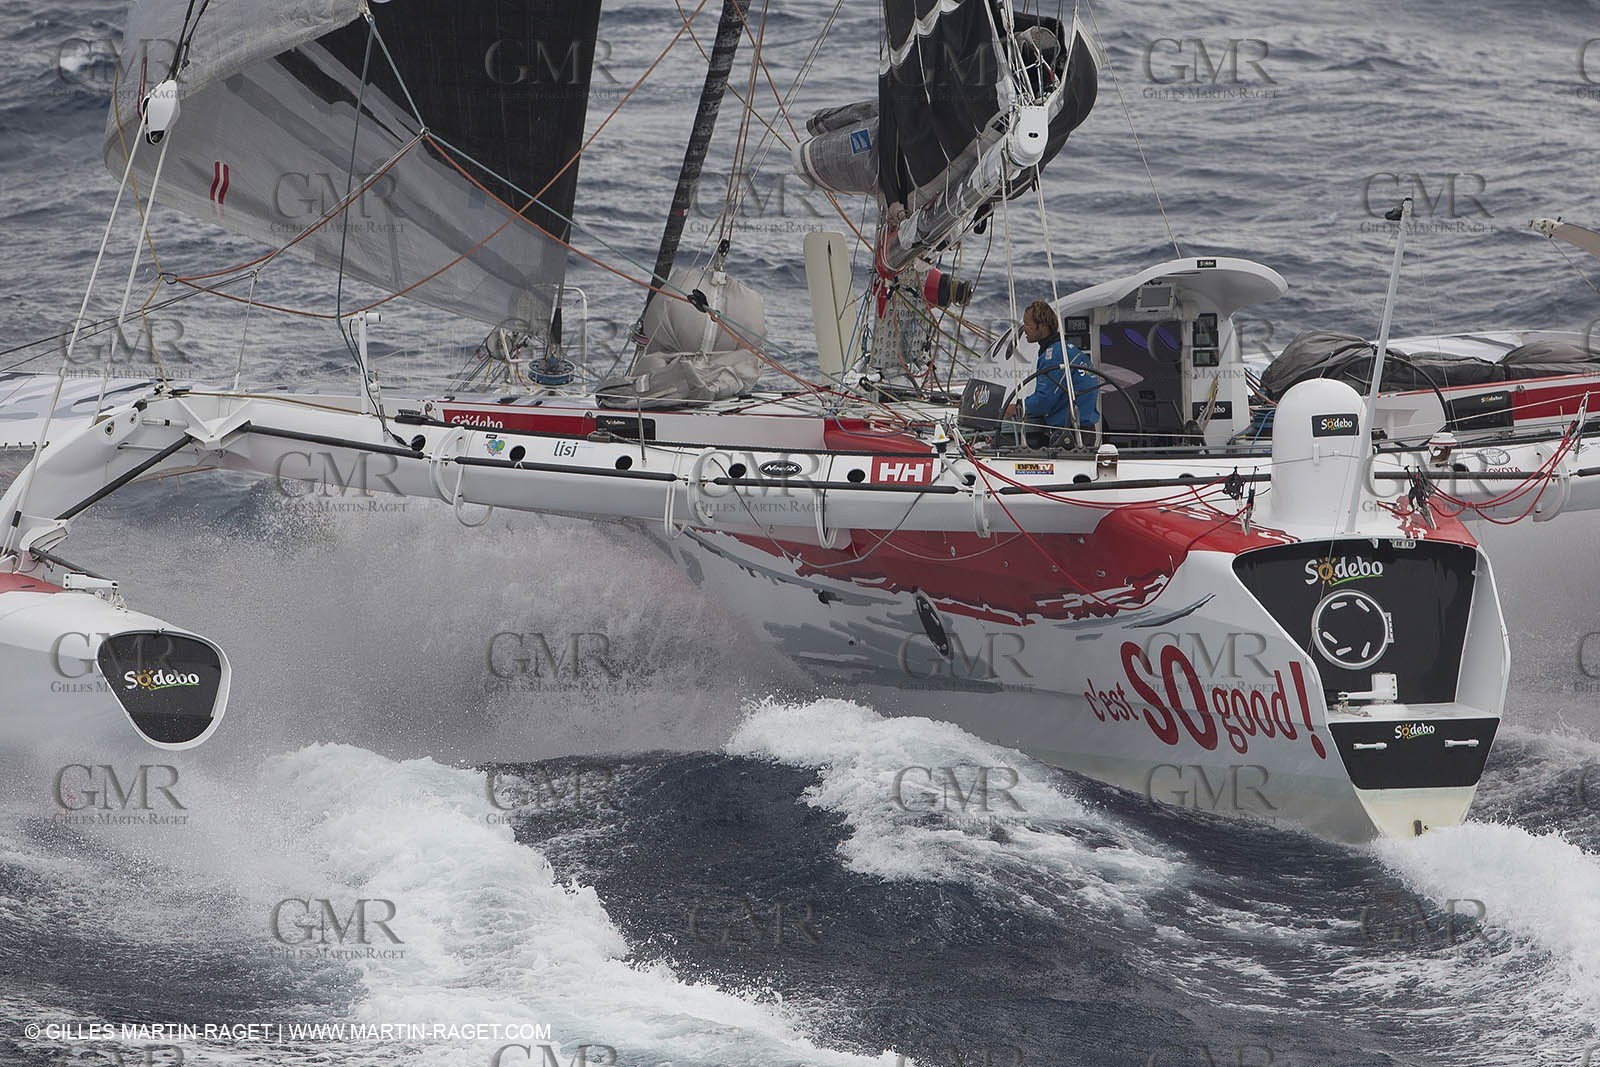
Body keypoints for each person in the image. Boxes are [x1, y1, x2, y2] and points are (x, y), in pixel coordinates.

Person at [1005, 300, 1098, 447]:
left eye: (1028, 324)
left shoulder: (1053, 355)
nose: (1024, 330)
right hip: (1085, 430)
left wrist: (1017, 408)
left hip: (1070, 435)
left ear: (1042, 326)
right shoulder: (1068, 349)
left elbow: (1044, 401)